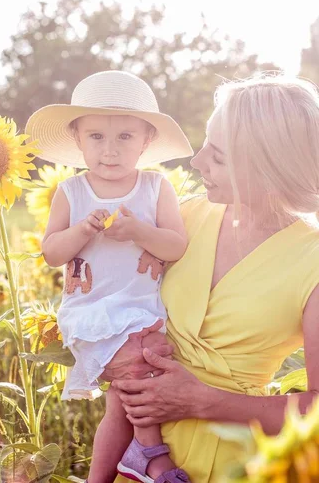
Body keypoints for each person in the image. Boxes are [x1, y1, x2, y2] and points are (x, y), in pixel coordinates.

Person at [113, 74, 319, 483]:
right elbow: (118, 309)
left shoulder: (312, 259)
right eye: (205, 143)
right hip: (138, 453)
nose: (196, 162)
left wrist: (201, 401)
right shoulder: (182, 219)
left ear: (270, 165)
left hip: (237, 463)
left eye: (219, 157)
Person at [25, 70, 194, 483]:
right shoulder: (72, 191)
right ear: (78, 139)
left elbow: (176, 245)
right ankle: (153, 454)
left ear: (147, 141)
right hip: (93, 314)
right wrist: (82, 230)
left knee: (124, 398)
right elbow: (51, 253)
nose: (110, 151)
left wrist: (139, 231)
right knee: (139, 370)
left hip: (143, 311)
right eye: (97, 137)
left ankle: (104, 473)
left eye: (125, 138)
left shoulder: (156, 187)